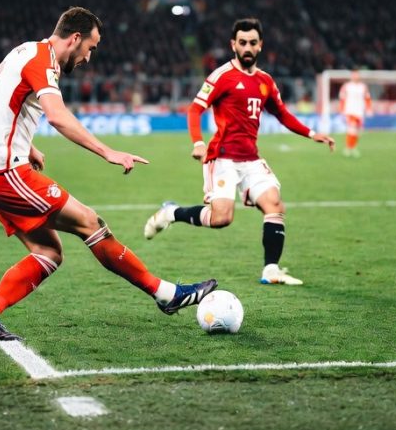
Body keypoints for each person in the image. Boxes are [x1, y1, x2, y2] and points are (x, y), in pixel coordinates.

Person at [0, 6, 217, 341]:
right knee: (90, 223)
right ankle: (166, 294)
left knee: (48, 253)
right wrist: (107, 151)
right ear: (74, 38)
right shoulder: (43, 61)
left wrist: (25, 144)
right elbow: (57, 116)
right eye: (90, 48)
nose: (88, 57)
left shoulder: (24, 49)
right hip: (5, 172)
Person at [143, 18, 336, 286]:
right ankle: (171, 213)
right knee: (221, 218)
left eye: (252, 43)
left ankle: (271, 270)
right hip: (222, 158)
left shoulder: (265, 81)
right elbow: (195, 109)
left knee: (274, 204)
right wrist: (198, 142)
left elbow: (282, 113)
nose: (247, 47)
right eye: (242, 42)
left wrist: (312, 133)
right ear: (233, 44)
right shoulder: (222, 76)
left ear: (260, 45)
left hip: (251, 159)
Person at [338, 69, 372, 157]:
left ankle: (352, 148)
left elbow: (367, 98)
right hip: (350, 111)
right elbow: (342, 98)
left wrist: (369, 109)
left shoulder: (363, 87)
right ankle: (348, 148)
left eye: (357, 75)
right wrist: (341, 110)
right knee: (352, 129)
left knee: (357, 131)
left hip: (360, 111)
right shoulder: (347, 86)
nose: (356, 77)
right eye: (354, 75)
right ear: (351, 76)